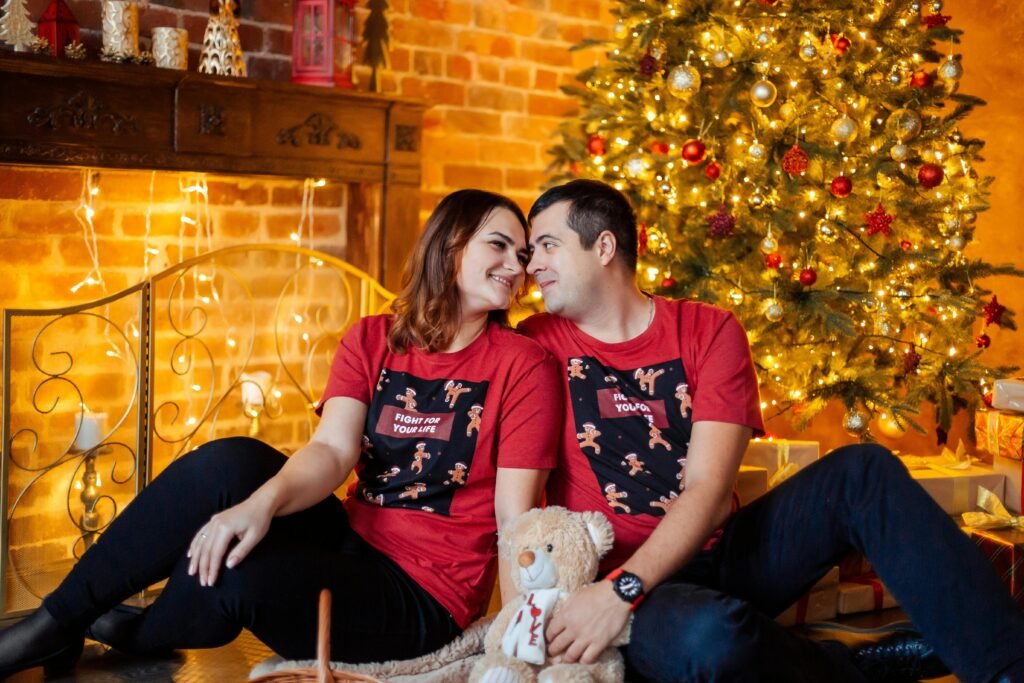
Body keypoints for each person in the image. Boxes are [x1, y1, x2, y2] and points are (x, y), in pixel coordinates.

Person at [0, 189, 560, 679]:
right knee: (230, 463)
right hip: (351, 538)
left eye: (524, 253)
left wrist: (514, 641)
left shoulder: (522, 364)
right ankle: (55, 620)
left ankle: (139, 631)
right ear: (449, 244)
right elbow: (333, 451)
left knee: (237, 577)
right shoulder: (372, 338)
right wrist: (258, 505)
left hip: (422, 594)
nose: (517, 264)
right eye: (500, 245)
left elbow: (517, 520)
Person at [519, 178, 1024, 683]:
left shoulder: (709, 330)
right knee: (709, 639)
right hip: (631, 588)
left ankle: (1007, 667)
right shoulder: (534, 344)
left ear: (604, 246)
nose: (532, 264)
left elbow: (709, 492)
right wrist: (609, 592)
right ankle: (850, 666)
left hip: (718, 552)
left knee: (863, 471)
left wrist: (622, 590)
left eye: (547, 245)